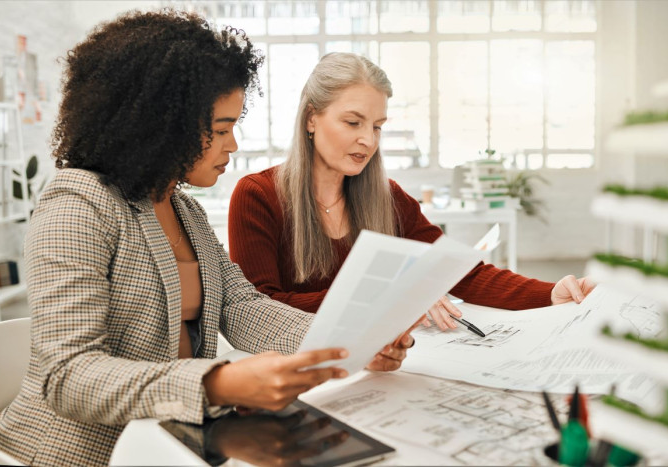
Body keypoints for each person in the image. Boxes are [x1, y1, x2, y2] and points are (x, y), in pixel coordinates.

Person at [0, 15, 412, 467]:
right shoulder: (78, 205)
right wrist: (218, 383)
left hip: (166, 445)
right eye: (222, 128)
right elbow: (67, 376)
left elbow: (239, 305)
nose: (233, 145)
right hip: (67, 455)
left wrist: (350, 344)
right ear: (162, 125)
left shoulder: (183, 209)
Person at [228, 52, 596, 330]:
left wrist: (548, 292)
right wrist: (389, 297)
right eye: (353, 122)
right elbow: (261, 308)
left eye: (377, 126)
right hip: (298, 365)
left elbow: (460, 272)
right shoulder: (257, 196)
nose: (367, 139)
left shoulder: (387, 197)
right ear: (311, 118)